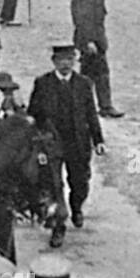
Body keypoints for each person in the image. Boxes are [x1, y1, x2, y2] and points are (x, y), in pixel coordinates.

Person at [27, 44, 105, 248]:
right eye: (61, 60)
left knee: (80, 182)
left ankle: (77, 207)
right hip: (51, 142)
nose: (66, 64)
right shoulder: (42, 83)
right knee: (53, 186)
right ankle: (58, 226)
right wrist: (36, 139)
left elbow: (91, 114)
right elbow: (33, 113)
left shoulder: (84, 83)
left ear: (75, 62)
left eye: (70, 60)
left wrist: (98, 140)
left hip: (78, 142)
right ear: (53, 62)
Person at [70, 0, 122, 117]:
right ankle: (102, 107)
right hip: (91, 42)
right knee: (98, 75)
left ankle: (82, 106)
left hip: (96, 41)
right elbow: (83, 21)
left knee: (91, 75)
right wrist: (89, 42)